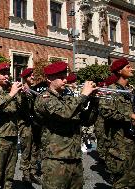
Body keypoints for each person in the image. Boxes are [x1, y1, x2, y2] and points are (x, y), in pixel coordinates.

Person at [34, 61, 97, 189]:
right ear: (49, 79)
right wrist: (84, 95)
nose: (65, 80)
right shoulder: (44, 98)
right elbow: (64, 113)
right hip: (56, 159)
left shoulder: (67, 98)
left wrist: (94, 101)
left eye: (65, 77)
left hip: (75, 158)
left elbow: (86, 120)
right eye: (61, 77)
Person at [99, 58, 135, 188]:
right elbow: (105, 112)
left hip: (133, 141)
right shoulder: (111, 91)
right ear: (119, 71)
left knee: (132, 180)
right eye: (128, 67)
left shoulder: (132, 90)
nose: (132, 69)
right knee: (121, 182)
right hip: (119, 144)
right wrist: (130, 116)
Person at [18, 67, 41, 185]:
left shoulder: (33, 90)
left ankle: (33, 172)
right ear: (25, 77)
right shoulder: (21, 90)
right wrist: (23, 95)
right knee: (26, 150)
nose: (33, 77)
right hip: (25, 125)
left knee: (35, 149)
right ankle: (26, 175)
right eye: (31, 76)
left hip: (35, 124)